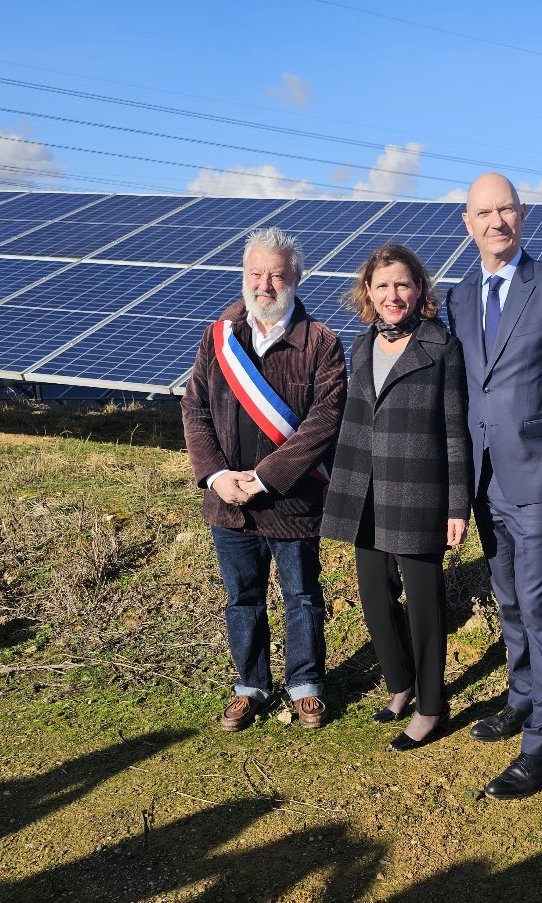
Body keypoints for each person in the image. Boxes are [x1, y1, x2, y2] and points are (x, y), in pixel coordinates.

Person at [445, 173, 542, 799]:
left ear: (523, 214)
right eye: (483, 213)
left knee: (540, 604)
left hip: (538, 475)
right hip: (484, 475)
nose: (495, 222)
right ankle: (521, 694)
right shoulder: (458, 296)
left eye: (505, 209)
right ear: (467, 223)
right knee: (505, 595)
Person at [182, 226, 346, 732]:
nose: (266, 284)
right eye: (256, 273)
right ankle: (250, 685)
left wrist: (265, 478)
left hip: (294, 501)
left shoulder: (322, 343)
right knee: (242, 597)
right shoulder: (218, 338)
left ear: (296, 277)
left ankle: (306, 685)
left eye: (277, 274)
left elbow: (325, 419)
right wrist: (214, 476)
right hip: (228, 503)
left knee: (301, 596)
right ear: (244, 276)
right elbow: (195, 408)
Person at [321, 243, 470, 751]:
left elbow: (456, 432)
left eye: (402, 284)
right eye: (382, 285)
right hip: (363, 492)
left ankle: (432, 706)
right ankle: (400, 685)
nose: (393, 294)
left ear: (419, 289)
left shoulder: (441, 347)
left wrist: (457, 504)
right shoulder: (360, 346)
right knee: (375, 600)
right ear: (368, 291)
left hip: (418, 492)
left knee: (424, 606)